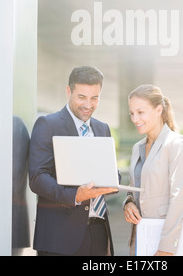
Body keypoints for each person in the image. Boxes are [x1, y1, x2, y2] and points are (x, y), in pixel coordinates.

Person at [29, 66, 118, 256]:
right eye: (81, 97)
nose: (88, 104)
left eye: (95, 98)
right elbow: (37, 178)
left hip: (98, 232)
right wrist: (75, 196)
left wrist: (112, 180)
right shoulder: (48, 125)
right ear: (68, 91)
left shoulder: (102, 129)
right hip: (60, 236)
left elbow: (111, 172)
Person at [123, 85, 183, 256]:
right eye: (132, 113)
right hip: (140, 239)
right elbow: (134, 189)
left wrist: (166, 248)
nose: (134, 118)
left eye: (140, 112)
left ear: (158, 110)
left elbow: (180, 199)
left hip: (166, 245)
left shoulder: (176, 144)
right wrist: (128, 203)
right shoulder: (137, 148)